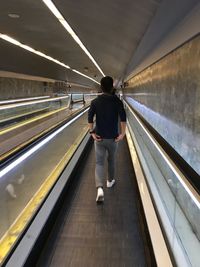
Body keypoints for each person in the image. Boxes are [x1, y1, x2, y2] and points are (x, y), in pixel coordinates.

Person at [88, 76, 126, 203]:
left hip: (99, 138)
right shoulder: (117, 101)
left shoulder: (95, 102)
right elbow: (123, 118)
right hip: (113, 138)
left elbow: (90, 117)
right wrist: (123, 134)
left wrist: (92, 132)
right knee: (111, 160)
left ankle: (99, 188)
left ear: (101, 87)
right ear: (111, 87)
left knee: (99, 163)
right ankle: (110, 181)